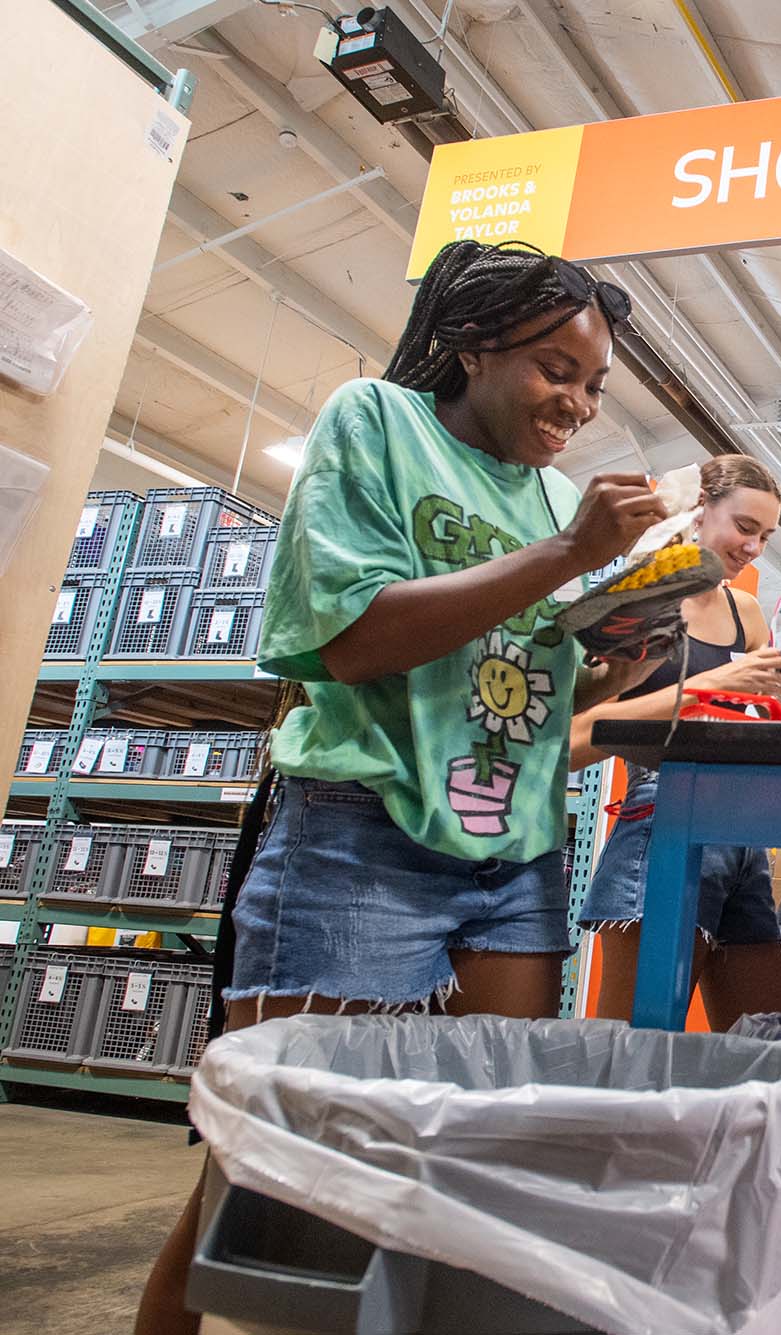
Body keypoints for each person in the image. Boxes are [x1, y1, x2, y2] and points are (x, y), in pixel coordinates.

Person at [136, 239, 671, 1334]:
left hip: (515, 853)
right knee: (271, 1159)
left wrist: (612, 649)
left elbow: (518, 664)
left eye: (592, 386)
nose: (575, 404)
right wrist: (567, 558)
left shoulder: (556, 498)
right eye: (554, 370)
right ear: (472, 347)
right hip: (361, 836)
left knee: (472, 1159)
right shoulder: (376, 422)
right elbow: (351, 641)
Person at [566, 456, 781, 1030]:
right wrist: (704, 687)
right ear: (698, 513)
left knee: (763, 1047)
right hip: (662, 822)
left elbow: (758, 720)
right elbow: (572, 739)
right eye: (745, 528)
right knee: (628, 1048)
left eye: (766, 537)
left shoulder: (743, 612)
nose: (754, 549)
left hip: (741, 839)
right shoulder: (636, 598)